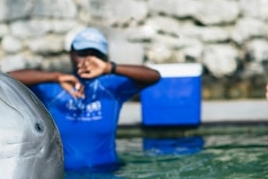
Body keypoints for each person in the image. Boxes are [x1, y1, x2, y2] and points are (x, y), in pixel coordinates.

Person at [9, 27, 161, 170]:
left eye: (95, 54)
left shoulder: (112, 88)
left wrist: (109, 68)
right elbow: (6, 78)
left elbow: (153, 76)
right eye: (82, 53)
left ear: (104, 58)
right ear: (71, 54)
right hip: (65, 177)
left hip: (107, 174)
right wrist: (55, 76)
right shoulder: (54, 88)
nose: (88, 60)